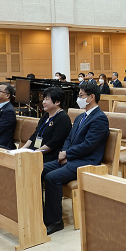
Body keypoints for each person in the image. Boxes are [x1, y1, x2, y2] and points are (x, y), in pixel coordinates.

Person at [42, 81, 109, 235]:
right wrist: (63, 152)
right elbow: (69, 139)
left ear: (91, 97)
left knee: (52, 178)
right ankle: (42, 213)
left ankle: (55, 221)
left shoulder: (99, 118)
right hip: (71, 158)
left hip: (86, 161)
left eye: (81, 95)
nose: (78, 98)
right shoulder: (80, 117)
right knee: (38, 169)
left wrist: (68, 154)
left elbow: (89, 145)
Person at [22, 87, 72, 163]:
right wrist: (22, 149)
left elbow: (54, 143)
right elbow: (35, 134)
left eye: (47, 99)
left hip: (48, 156)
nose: (43, 102)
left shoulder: (63, 118)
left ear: (57, 102)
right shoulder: (46, 115)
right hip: (35, 151)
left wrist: (35, 153)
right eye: (44, 99)